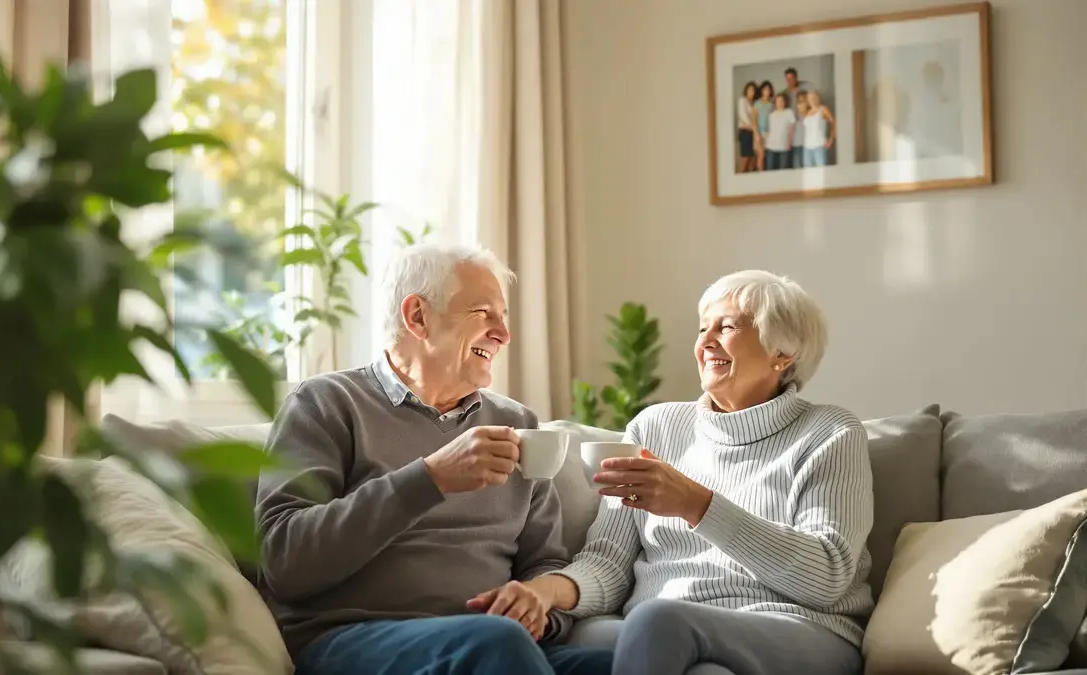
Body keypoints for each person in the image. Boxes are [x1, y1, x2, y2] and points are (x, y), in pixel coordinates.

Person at [256, 243, 613, 675]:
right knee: (495, 643)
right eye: (483, 313)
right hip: (351, 640)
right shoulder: (326, 403)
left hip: (494, 646)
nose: (503, 334)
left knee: (635, 662)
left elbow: (544, 562)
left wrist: (537, 606)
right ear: (418, 316)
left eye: (503, 317)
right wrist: (430, 478)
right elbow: (283, 562)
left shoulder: (517, 423)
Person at [524, 270, 874, 675]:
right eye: (703, 327)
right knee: (590, 638)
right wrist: (546, 591)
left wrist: (696, 504)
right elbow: (608, 562)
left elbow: (827, 577)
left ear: (783, 353)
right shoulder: (654, 428)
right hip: (662, 632)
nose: (705, 341)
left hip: (793, 629)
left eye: (727, 327)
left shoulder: (830, 432)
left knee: (658, 622)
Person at [803, 90, 836, 167]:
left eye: (813, 97)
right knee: (808, 172)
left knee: (821, 171)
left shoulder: (822, 110)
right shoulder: (807, 112)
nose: (812, 100)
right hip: (807, 147)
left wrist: (831, 139)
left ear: (817, 98)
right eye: (810, 98)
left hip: (819, 145)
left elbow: (833, 122)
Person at [763, 93, 796, 170]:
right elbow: (769, 130)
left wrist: (790, 141)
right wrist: (764, 140)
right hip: (770, 145)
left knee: (783, 170)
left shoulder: (789, 112)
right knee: (770, 169)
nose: (779, 103)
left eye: (781, 101)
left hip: (784, 145)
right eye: (777, 101)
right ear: (775, 103)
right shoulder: (771, 115)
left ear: (785, 102)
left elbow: (791, 129)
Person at [735, 81, 758, 173]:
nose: (751, 91)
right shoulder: (742, 100)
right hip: (745, 132)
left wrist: (754, 129)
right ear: (746, 90)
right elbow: (743, 116)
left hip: (753, 132)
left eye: (753, 90)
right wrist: (753, 127)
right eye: (750, 89)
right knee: (745, 159)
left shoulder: (755, 103)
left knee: (752, 159)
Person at [754, 80, 775, 171]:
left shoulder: (772, 105)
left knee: (767, 156)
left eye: (768, 89)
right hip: (759, 133)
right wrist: (756, 134)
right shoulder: (757, 103)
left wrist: (770, 132)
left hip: (769, 134)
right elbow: (754, 121)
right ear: (761, 91)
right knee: (761, 156)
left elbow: (773, 120)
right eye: (765, 89)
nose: (767, 91)